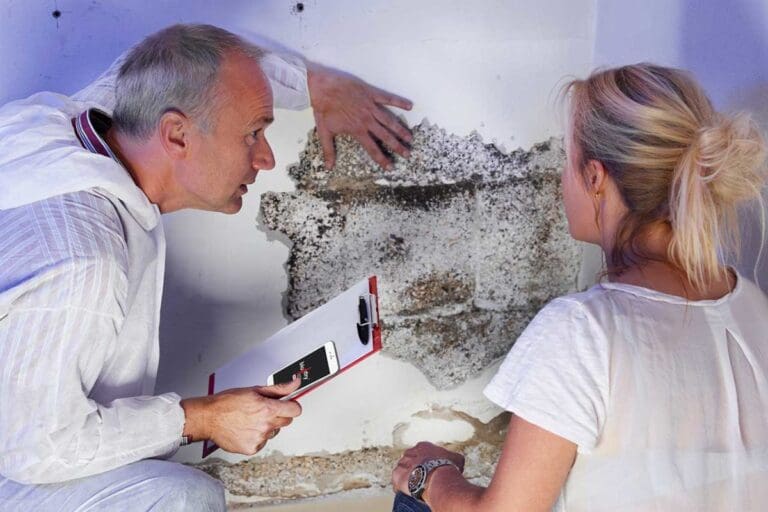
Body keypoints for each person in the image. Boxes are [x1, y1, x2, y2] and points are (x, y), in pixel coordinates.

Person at [0, 23, 412, 511]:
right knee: (183, 498)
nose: (265, 157)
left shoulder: (61, 121)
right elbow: (36, 446)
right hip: (18, 451)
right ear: (176, 135)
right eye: (253, 133)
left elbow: (175, 56)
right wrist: (199, 419)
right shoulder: (86, 264)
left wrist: (313, 85)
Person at [392, 63, 768, 511]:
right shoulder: (751, 301)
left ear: (594, 177)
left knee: (414, 495)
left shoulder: (580, 330)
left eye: (565, 162)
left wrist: (429, 478)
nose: (560, 182)